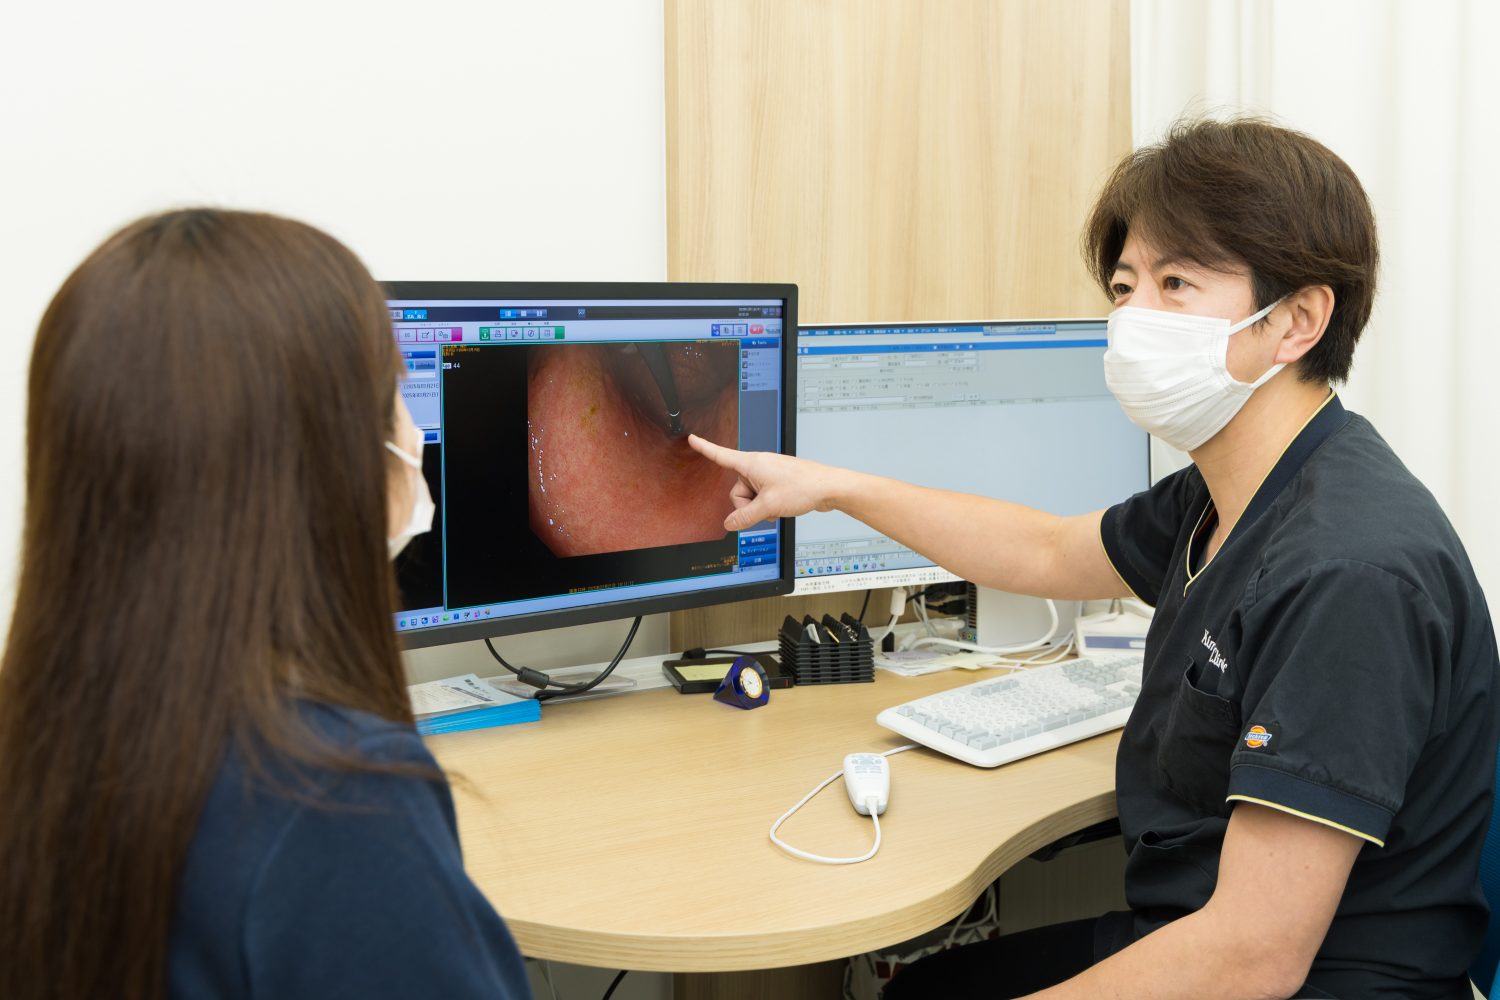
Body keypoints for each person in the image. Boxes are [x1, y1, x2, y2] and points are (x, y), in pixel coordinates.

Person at [690, 117, 1500, 999]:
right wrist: (835, 487)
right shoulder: (1235, 488)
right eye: (1124, 285)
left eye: (1176, 282)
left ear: (1297, 320)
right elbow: (1046, 550)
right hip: (1199, 930)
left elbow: (1253, 956)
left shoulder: (1347, 571)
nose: (1132, 317)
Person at [0, 210, 531, 999]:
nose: (413, 430)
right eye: (391, 397)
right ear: (313, 468)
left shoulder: (44, 739)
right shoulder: (334, 796)